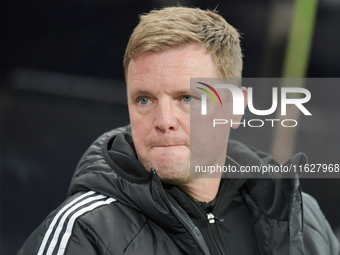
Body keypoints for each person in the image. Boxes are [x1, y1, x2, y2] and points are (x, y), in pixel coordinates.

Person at [18, 6, 339, 255]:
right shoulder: (85, 232)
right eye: (144, 99)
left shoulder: (299, 216)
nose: (163, 119)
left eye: (187, 97)